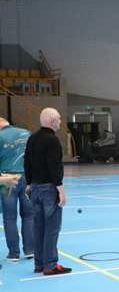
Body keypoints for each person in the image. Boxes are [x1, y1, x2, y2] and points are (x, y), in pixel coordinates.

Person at [24, 108, 71, 275]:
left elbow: (27, 163)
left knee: (38, 227)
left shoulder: (32, 138)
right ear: (52, 121)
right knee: (52, 227)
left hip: (35, 187)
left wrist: (29, 184)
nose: (59, 122)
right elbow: (54, 165)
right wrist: (61, 189)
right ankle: (50, 265)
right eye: (58, 119)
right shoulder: (52, 140)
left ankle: (39, 263)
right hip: (49, 188)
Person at [0, 118, 34, 262]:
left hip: (7, 179)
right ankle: (30, 250)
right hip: (27, 178)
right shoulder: (27, 133)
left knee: (9, 218)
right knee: (28, 215)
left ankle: (13, 254)